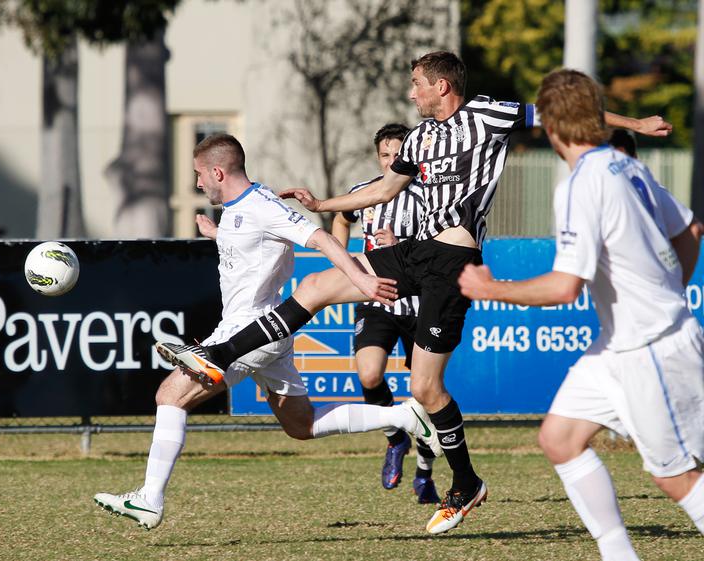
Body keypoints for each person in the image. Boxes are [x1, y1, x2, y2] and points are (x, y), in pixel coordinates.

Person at [157, 51, 673, 535]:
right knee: (317, 284)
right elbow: (382, 191)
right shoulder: (421, 138)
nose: (411, 95)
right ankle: (219, 354)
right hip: (416, 250)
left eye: (416, 85)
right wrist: (322, 202)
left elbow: (567, 117)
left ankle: (467, 483)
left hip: (453, 260)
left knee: (426, 388)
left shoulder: (488, 114)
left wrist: (638, 125)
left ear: (441, 86)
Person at [94, 133, 441, 530]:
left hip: (249, 333)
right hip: (268, 334)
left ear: (218, 171)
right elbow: (252, 245)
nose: (197, 184)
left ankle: (149, 499)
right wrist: (217, 235)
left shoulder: (262, 205)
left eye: (199, 175)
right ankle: (405, 415)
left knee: (170, 394)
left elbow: (322, 238)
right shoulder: (238, 208)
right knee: (302, 425)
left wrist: (362, 281)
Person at [458, 69, 704, 561]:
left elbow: (564, 288)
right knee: (559, 438)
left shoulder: (580, 184)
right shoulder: (624, 165)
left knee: (673, 475)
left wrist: (490, 287)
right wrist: (669, 288)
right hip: (617, 347)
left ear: (549, 126)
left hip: (648, 349)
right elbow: (690, 231)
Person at [331, 123, 439, 503]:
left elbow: (444, 243)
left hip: (421, 301)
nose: (393, 161)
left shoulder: (430, 194)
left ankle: (425, 474)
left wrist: (403, 245)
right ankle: (395, 437)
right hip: (377, 297)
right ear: (378, 157)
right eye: (385, 155)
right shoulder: (365, 192)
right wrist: (345, 265)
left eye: (398, 154)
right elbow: (341, 218)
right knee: (369, 372)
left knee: (426, 392)